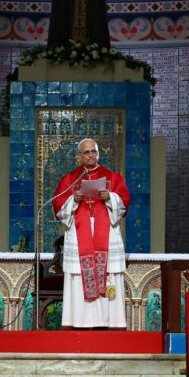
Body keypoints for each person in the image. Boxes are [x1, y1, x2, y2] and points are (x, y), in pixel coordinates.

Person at [51, 138, 130, 329]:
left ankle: (112, 321)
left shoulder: (112, 177)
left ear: (98, 153)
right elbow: (58, 206)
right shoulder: (70, 180)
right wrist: (74, 199)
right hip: (80, 235)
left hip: (106, 233)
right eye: (86, 152)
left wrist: (109, 196)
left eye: (93, 151)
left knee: (108, 273)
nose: (90, 155)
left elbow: (125, 201)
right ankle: (78, 321)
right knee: (79, 275)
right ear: (79, 156)